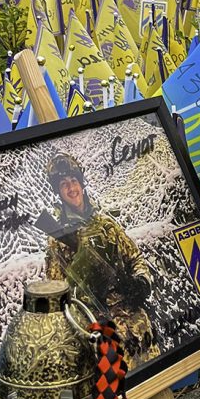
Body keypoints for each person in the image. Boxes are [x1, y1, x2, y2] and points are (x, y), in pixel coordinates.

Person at [42, 151, 158, 367]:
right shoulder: (57, 239)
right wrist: (84, 309)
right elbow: (56, 292)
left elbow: (135, 259)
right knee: (125, 389)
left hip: (135, 320)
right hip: (101, 326)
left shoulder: (106, 225)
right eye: (63, 184)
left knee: (159, 373)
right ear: (58, 192)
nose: (71, 188)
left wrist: (141, 284)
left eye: (73, 180)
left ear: (81, 183)